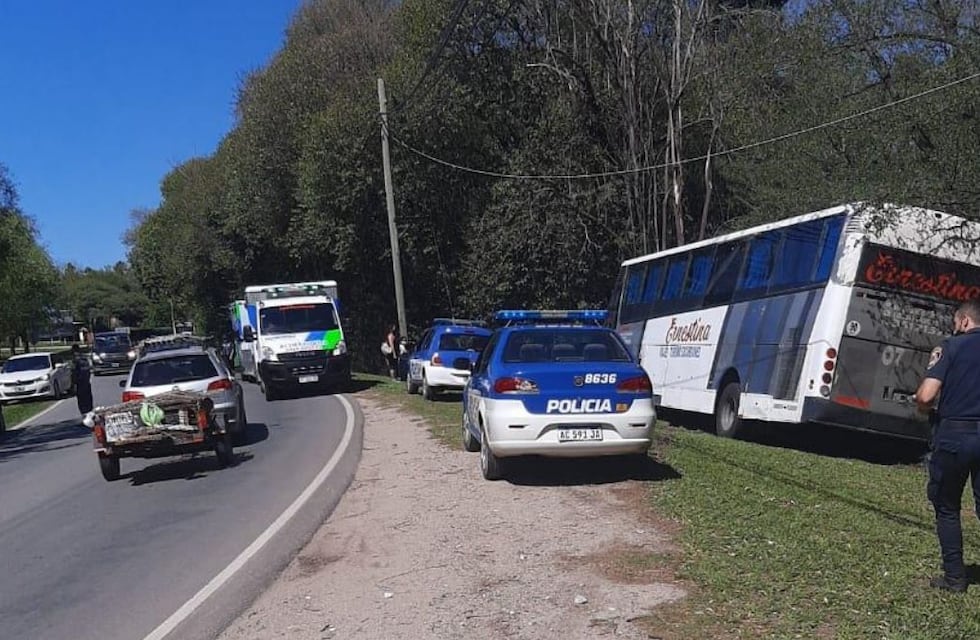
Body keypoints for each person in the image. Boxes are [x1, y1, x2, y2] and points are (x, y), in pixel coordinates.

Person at [915, 299, 980, 593]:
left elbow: (926, 396)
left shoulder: (950, 347)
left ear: (965, 321)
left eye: (956, 322)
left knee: (947, 505)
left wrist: (922, 408)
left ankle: (955, 578)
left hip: (955, 434)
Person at [71, 344, 94, 415]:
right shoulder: (84, 358)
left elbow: (74, 373)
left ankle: (85, 415)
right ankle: (90, 413)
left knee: (82, 402)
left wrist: (73, 384)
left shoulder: (75, 360)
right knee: (88, 400)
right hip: (87, 382)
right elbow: (89, 370)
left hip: (80, 384)